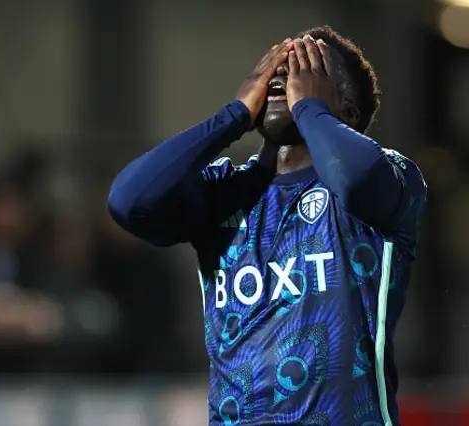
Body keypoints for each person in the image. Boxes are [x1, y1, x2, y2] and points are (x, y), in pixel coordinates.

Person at [108, 26, 426, 425]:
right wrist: (233, 115)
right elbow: (129, 202)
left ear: (347, 112)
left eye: (311, 68)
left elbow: (358, 176)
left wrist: (311, 107)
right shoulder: (222, 192)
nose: (286, 77)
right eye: (279, 66)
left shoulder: (388, 181)